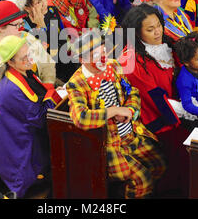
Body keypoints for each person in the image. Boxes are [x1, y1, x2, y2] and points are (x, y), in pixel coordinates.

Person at [66, 29, 166, 198]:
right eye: (96, 55)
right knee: (143, 180)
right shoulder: (76, 83)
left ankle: (129, 192)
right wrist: (113, 111)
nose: (103, 58)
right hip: (109, 146)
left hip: (131, 134)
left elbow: (132, 92)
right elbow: (81, 118)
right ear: (82, 59)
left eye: (104, 51)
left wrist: (131, 111)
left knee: (159, 164)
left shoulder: (113, 65)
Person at [120, 3, 191, 196]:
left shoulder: (166, 44)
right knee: (188, 153)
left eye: (159, 25)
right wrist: (192, 111)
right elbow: (156, 100)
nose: (158, 32)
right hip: (157, 118)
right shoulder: (132, 60)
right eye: (150, 30)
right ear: (136, 33)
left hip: (179, 107)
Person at [0, 34, 61, 198]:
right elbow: (39, 118)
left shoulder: (21, 71)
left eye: (29, 54)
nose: (30, 59)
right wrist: (55, 95)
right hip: (16, 146)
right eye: (24, 58)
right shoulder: (11, 88)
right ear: (10, 62)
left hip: (23, 130)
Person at [0, 0, 56, 105]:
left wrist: (49, 89)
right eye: (17, 25)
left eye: (22, 23)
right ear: (1, 28)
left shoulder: (26, 37)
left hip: (37, 93)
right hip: (12, 104)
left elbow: (46, 64)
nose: (22, 28)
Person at [5, 0, 71, 83]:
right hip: (45, 72)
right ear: (27, 8)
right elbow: (40, 58)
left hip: (63, 61)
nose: (45, 3)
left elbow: (61, 41)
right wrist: (41, 27)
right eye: (38, 2)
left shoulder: (52, 11)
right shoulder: (24, 29)